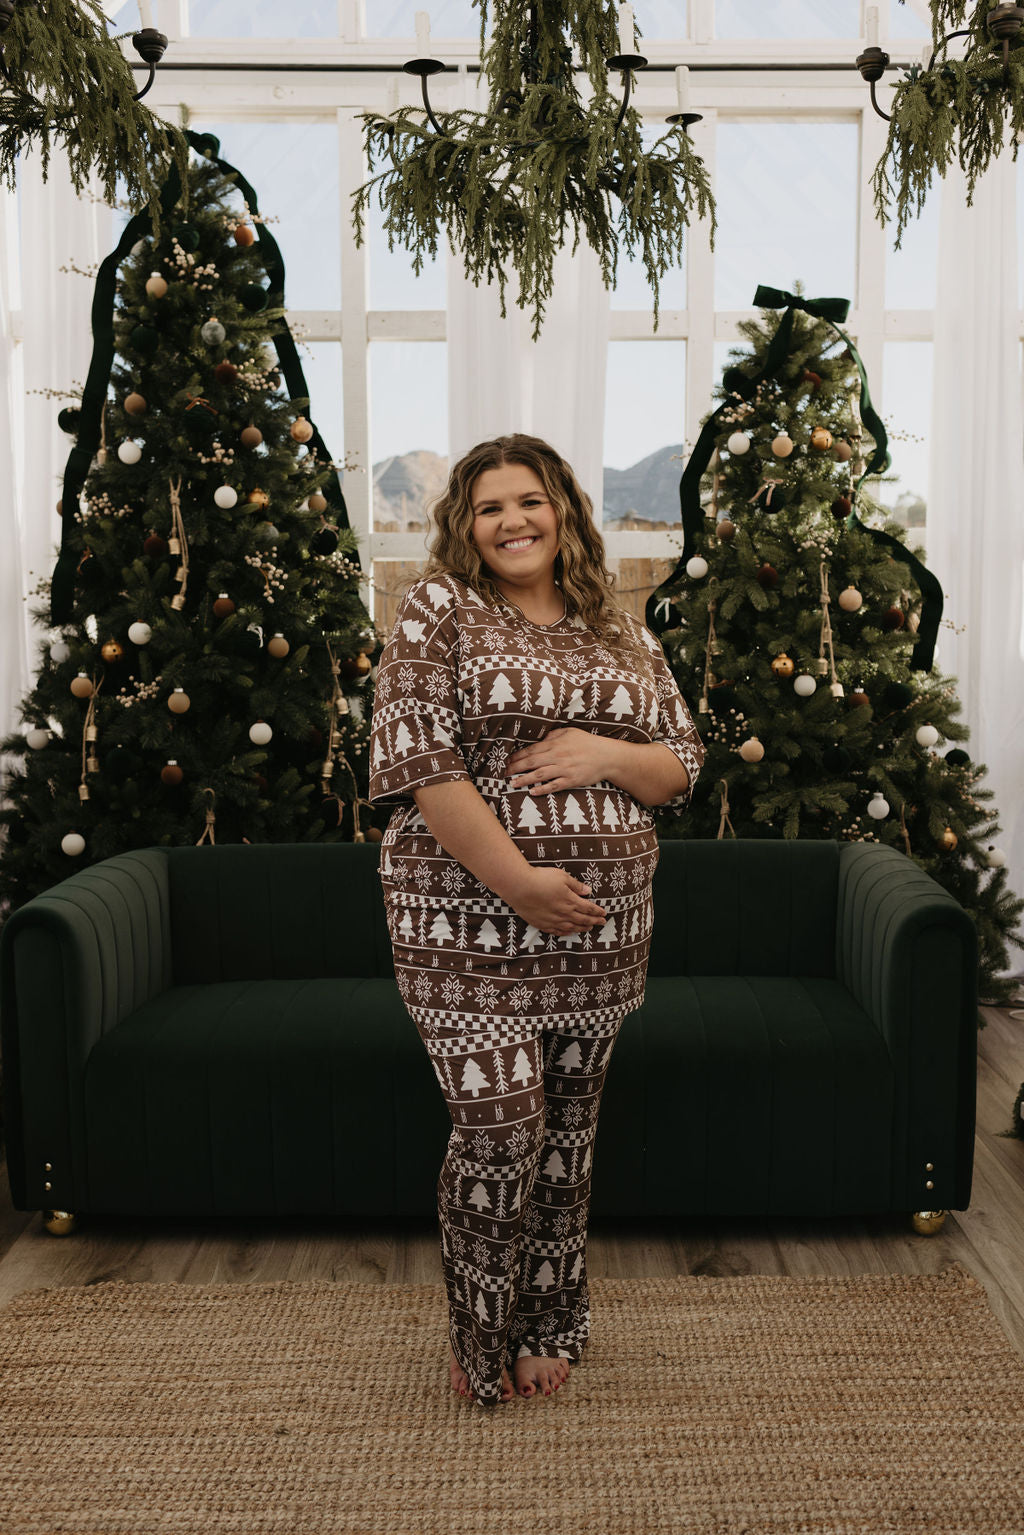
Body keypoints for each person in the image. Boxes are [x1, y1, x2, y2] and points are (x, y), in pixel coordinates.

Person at [367, 433, 705, 1408]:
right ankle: (481, 1331)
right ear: (464, 527)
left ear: (562, 510)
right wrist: (518, 882)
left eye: (529, 500)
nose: (512, 520)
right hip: (462, 927)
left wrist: (602, 753)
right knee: (503, 1126)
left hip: (600, 936)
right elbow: (420, 763)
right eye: (489, 507)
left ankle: (548, 1320)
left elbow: (680, 764)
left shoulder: (621, 630)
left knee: (565, 1139)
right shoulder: (440, 611)